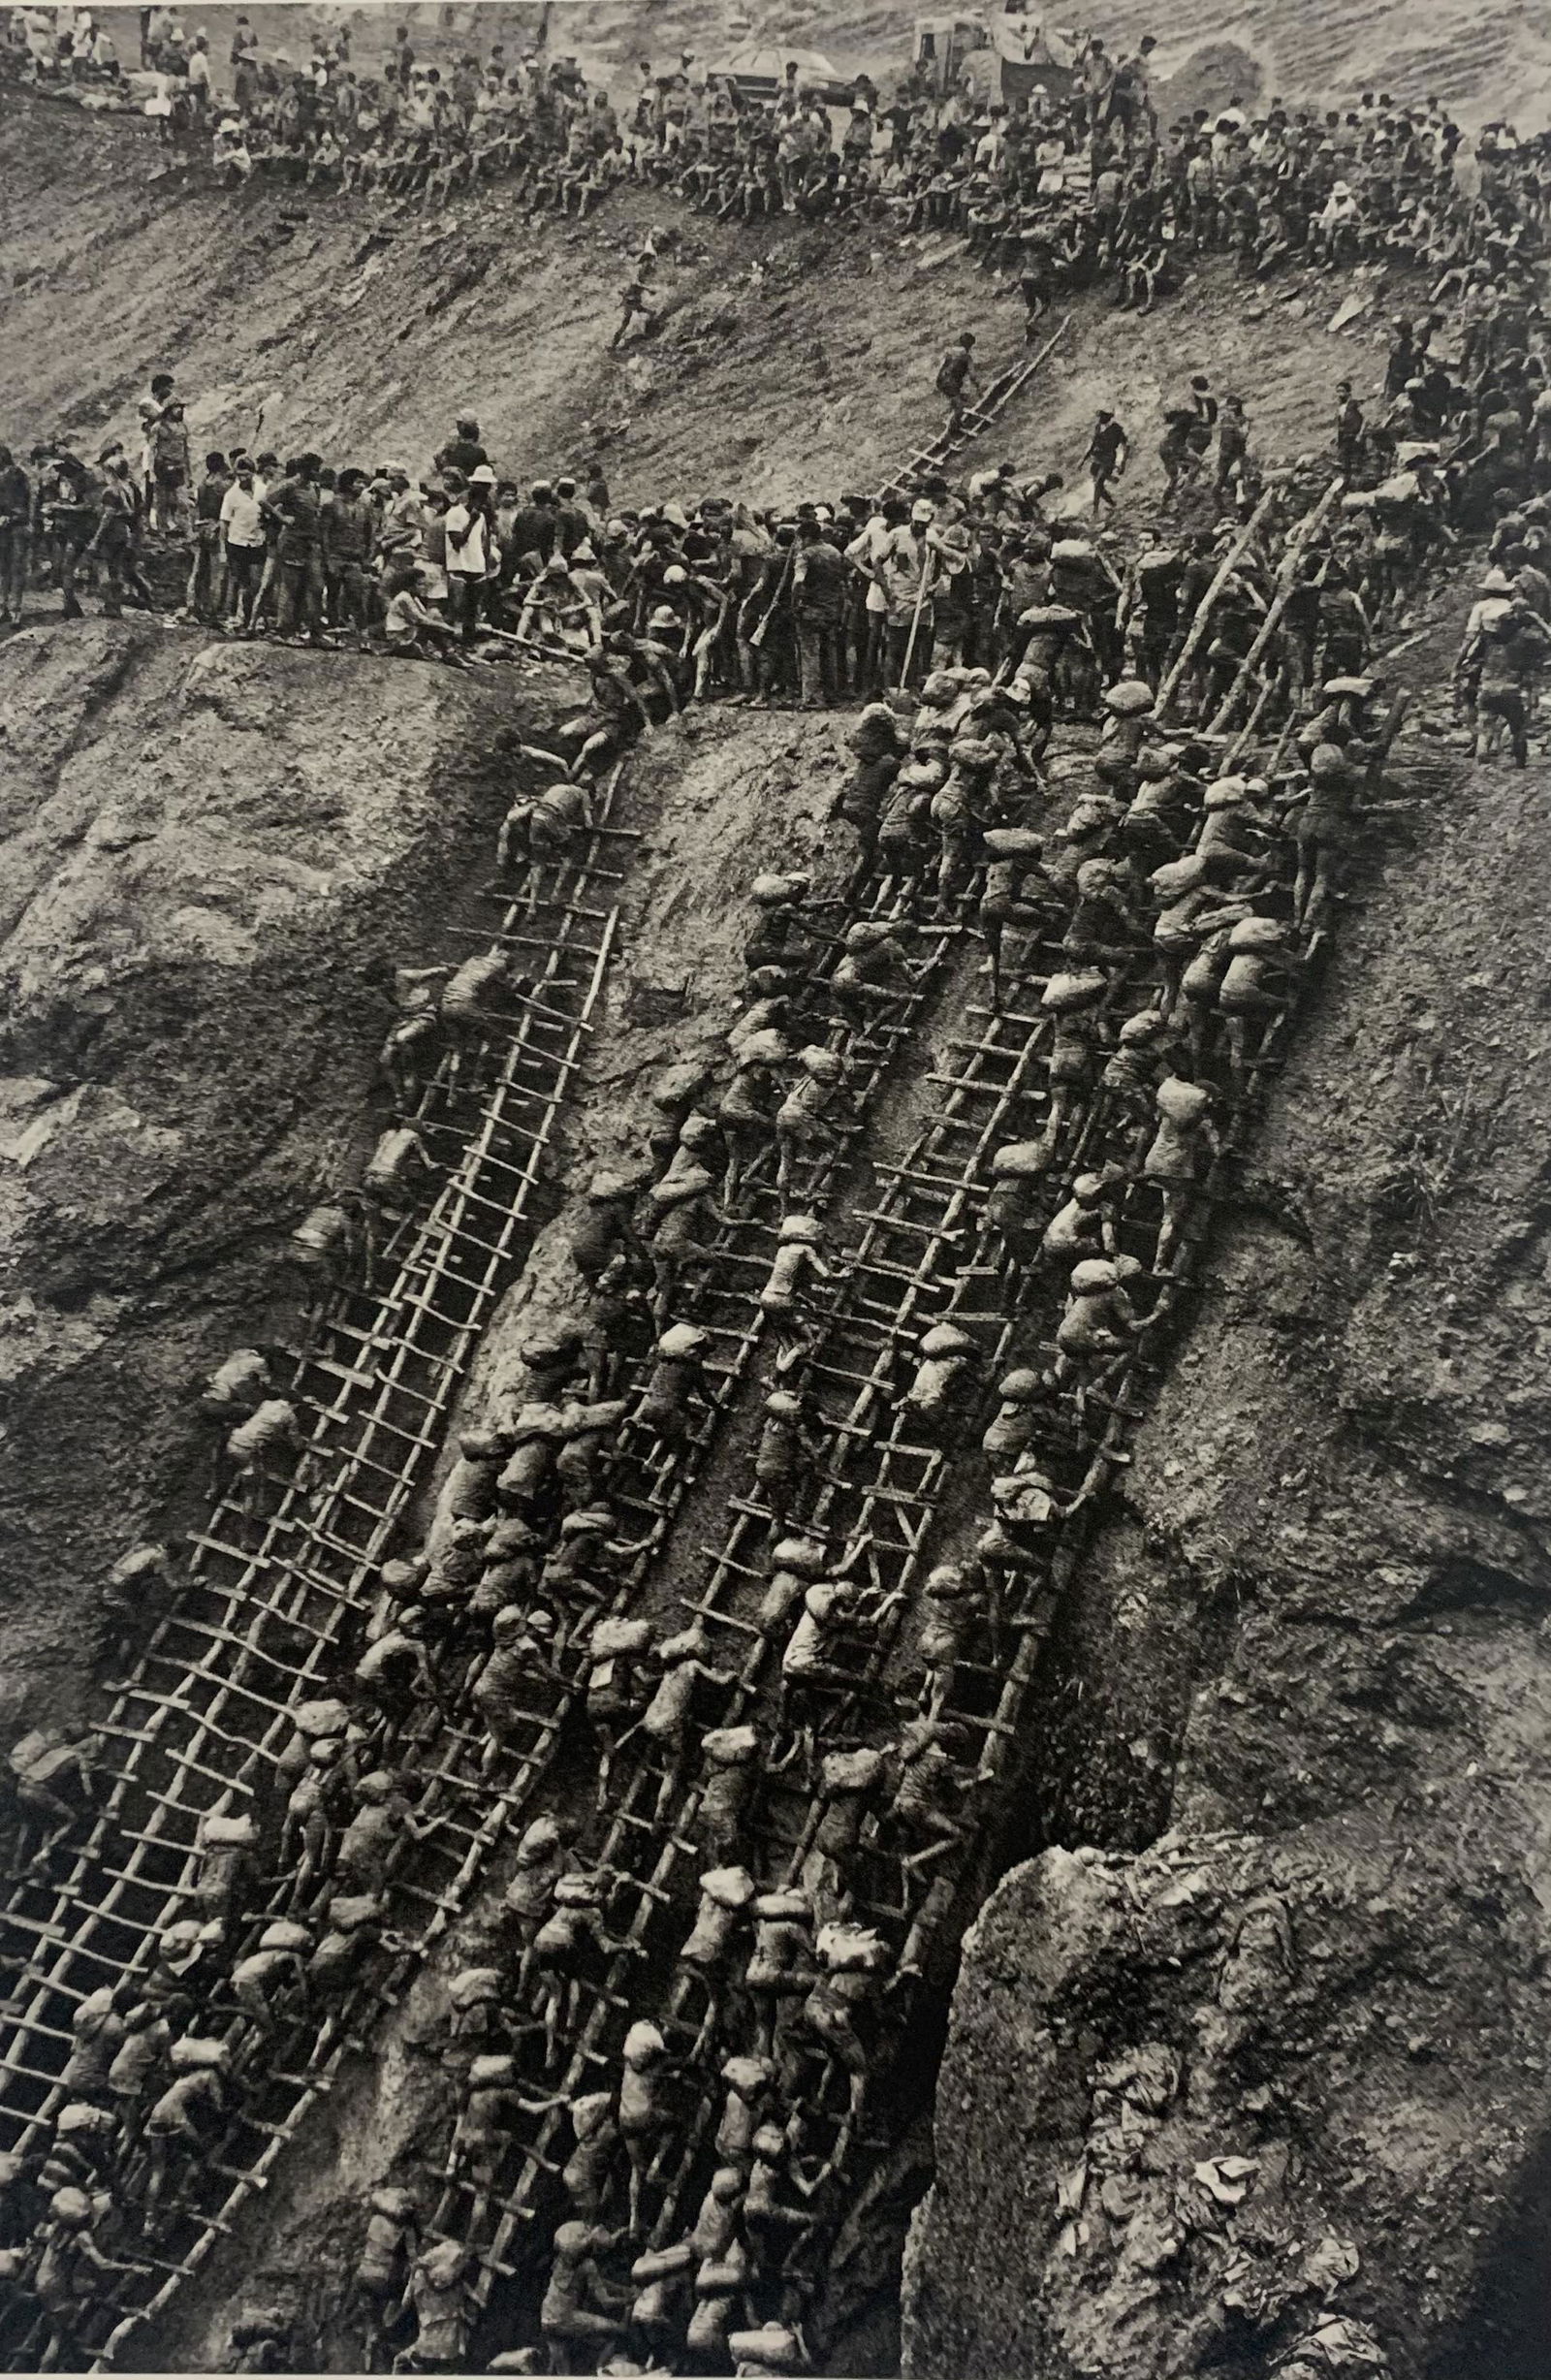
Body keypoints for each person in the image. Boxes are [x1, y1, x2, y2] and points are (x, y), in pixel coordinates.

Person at [1084, 408, 1128, 513]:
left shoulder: (1116, 428)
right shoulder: (1098, 428)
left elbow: (1126, 445)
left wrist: (1123, 463)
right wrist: (1083, 460)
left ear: (1107, 416)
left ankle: (1095, 511)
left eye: (1101, 416)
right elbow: (1092, 444)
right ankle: (1113, 504)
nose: (1099, 418)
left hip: (1108, 459)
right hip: (1096, 459)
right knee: (1099, 486)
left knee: (1098, 483)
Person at [934, 332, 980, 435]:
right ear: (969, 345)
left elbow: (942, 365)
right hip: (951, 384)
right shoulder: (967, 358)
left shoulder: (950, 352)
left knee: (956, 398)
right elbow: (972, 376)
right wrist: (978, 387)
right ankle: (953, 427)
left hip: (940, 381)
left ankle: (956, 417)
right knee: (960, 406)